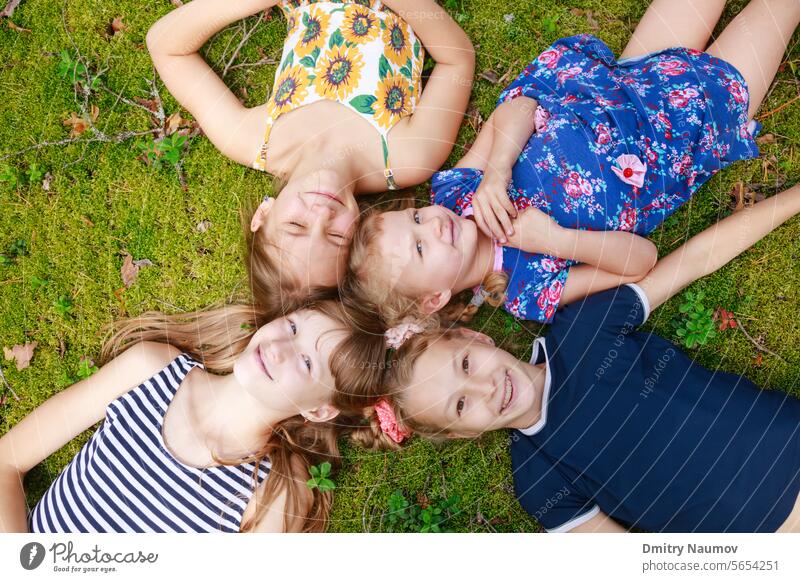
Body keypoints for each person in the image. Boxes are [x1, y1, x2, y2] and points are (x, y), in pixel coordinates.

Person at [355, 183, 800, 532]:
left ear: (476, 338)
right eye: (460, 404)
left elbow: (695, 259)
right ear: (459, 435)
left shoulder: (581, 329)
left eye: (466, 366)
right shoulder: (538, 480)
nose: (485, 389)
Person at [345, 0, 799, 324]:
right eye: (421, 248)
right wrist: (559, 240)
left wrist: (497, 171)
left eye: (417, 218)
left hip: (623, 77)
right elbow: (641, 260)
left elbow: (519, 107)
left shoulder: (458, 193)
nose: (433, 224)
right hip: (686, 126)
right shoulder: (525, 290)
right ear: (434, 300)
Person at [146, 0, 475, 309]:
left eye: (295, 225)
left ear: (263, 215)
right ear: (359, 234)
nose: (320, 213)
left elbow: (165, 46)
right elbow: (457, 58)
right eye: (334, 236)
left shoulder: (252, 140)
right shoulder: (407, 157)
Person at [0, 301, 384, 533]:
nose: (280, 348)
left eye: (306, 362)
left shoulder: (278, 491)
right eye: (294, 326)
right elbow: (7, 460)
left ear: (318, 410)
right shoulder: (151, 370)